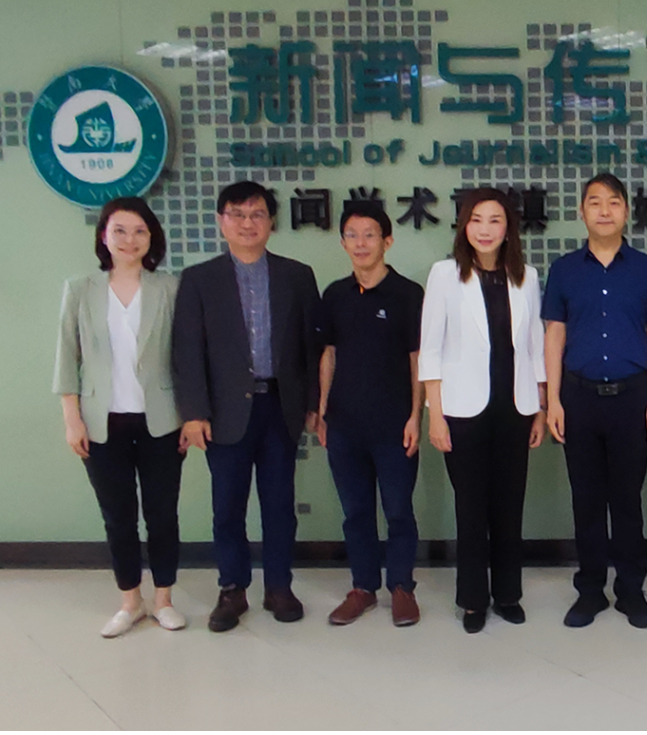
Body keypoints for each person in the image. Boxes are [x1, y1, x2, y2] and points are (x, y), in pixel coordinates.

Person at [173, 181, 321, 633]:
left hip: (280, 406)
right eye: (236, 214)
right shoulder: (200, 279)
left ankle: (279, 586)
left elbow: (312, 348)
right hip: (223, 413)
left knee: (279, 504)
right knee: (227, 506)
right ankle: (232, 590)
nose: (247, 223)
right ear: (221, 222)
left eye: (257, 214)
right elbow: (186, 352)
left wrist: (314, 405)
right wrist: (193, 413)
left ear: (271, 222)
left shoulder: (297, 275)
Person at [543, 172, 647, 630]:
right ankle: (590, 590)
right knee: (586, 499)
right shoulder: (563, 270)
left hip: (632, 398)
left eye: (613, 202)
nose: (604, 210)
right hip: (577, 398)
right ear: (581, 212)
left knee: (627, 499)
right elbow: (554, 335)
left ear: (626, 212)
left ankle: (631, 591)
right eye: (594, 202)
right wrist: (553, 400)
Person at [53, 197, 187, 637]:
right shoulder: (79, 288)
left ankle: (164, 598)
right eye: (120, 230)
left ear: (152, 238)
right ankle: (130, 600)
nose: (130, 240)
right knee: (118, 515)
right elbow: (66, 357)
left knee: (163, 513)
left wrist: (190, 416)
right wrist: (72, 417)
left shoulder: (170, 287)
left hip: (161, 420)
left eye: (140, 231)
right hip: (100, 421)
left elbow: (185, 357)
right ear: (104, 236)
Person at [420, 187, 546, 633]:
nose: (486, 229)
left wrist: (541, 407)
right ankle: (473, 600)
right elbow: (430, 349)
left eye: (495, 220)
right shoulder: (445, 275)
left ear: (508, 227)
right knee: (471, 508)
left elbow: (535, 347)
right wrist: (435, 414)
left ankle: (508, 595)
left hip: (514, 408)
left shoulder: (526, 276)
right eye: (477, 220)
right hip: (461, 412)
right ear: (464, 226)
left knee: (509, 507)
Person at [316, 201, 424, 628]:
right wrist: (323, 410)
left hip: (395, 423)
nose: (361, 243)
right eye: (352, 235)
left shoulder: (408, 294)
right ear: (343, 242)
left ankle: (402, 587)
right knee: (355, 511)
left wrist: (418, 415)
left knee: (398, 510)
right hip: (344, 423)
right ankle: (363, 587)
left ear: (388, 241)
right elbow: (329, 354)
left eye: (370, 235)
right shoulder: (335, 294)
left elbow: (419, 360)